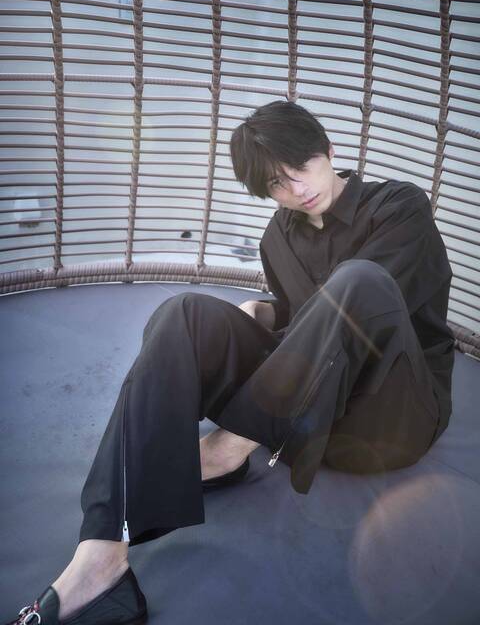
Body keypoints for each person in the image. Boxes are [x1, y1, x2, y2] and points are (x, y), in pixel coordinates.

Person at [7, 101, 455, 625]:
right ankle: (99, 561)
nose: (296, 188)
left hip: (392, 414)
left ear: (329, 150)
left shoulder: (400, 207)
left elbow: (365, 312)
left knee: (360, 280)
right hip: (307, 416)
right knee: (186, 312)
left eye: (301, 167)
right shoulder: (277, 237)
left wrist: (280, 332)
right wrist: (262, 313)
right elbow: (303, 315)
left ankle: (226, 449)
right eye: (277, 184)